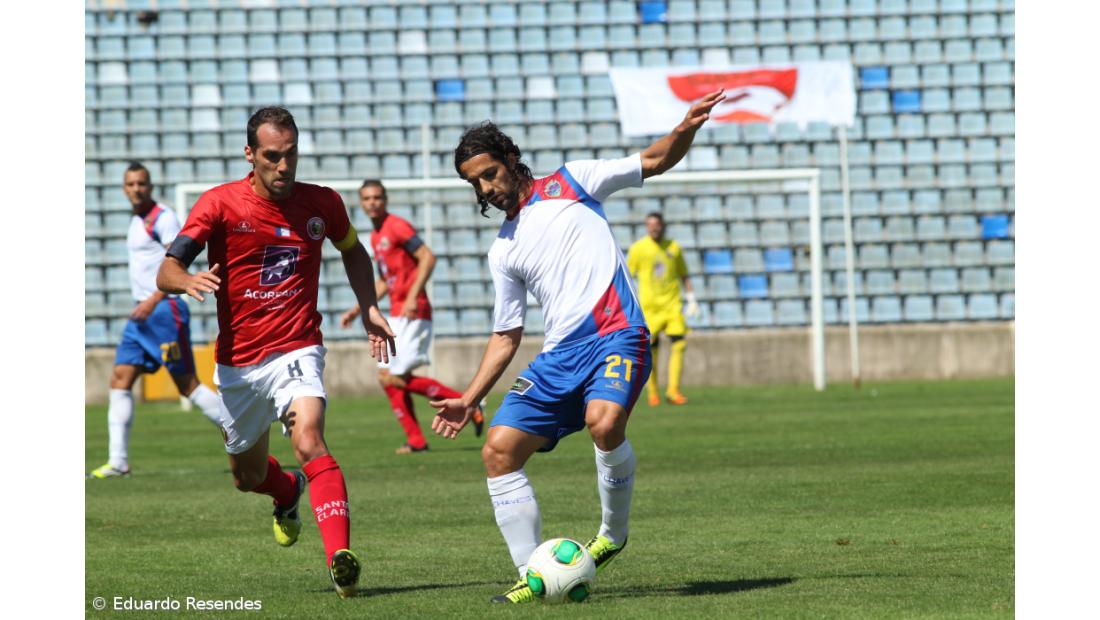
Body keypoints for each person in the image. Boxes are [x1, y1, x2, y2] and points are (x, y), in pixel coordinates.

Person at [430, 90, 726, 604]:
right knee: (498, 451)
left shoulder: (573, 180)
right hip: (559, 356)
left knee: (605, 421)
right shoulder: (503, 250)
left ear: (511, 160)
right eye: (474, 182)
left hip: (618, 335)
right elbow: (507, 334)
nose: (484, 187)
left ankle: (612, 535)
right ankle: (534, 577)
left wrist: (686, 128)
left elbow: (654, 160)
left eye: (489, 173)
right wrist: (470, 397)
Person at [156, 106, 396, 599]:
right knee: (247, 477)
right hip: (238, 364)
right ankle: (286, 492)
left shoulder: (323, 204)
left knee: (308, 438)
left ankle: (340, 562)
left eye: (291, 155)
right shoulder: (219, 205)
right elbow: (167, 269)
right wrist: (185, 279)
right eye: (272, 157)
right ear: (250, 154)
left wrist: (368, 306)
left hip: (297, 346)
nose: (284, 167)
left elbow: (352, 249)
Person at [88, 162, 224, 480]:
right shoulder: (136, 221)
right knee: (120, 379)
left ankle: (244, 429)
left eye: (142, 183)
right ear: (124, 188)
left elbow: (175, 267)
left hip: (164, 310)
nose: (136, 189)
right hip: (141, 314)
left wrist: (152, 301)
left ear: (150, 186)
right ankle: (118, 461)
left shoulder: (163, 218)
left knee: (186, 385)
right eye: (131, 184)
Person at [340, 180, 485, 454]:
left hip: (413, 311)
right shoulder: (374, 235)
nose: (372, 202)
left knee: (394, 377)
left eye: (377, 197)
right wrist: (359, 308)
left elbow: (427, 257)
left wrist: (411, 296)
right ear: (361, 202)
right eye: (367, 198)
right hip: (396, 313)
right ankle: (416, 440)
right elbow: (386, 279)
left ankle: (468, 402)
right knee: (387, 377)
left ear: (385, 199)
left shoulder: (397, 226)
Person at [626, 212, 700, 406]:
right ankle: (653, 392)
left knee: (679, 343)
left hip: (672, 305)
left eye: (656, 224)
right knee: (651, 350)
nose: (654, 228)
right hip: (650, 307)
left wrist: (692, 298)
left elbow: (684, 274)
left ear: (663, 225)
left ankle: (673, 391)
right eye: (650, 225)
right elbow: (626, 276)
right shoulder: (638, 248)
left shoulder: (673, 247)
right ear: (646, 227)